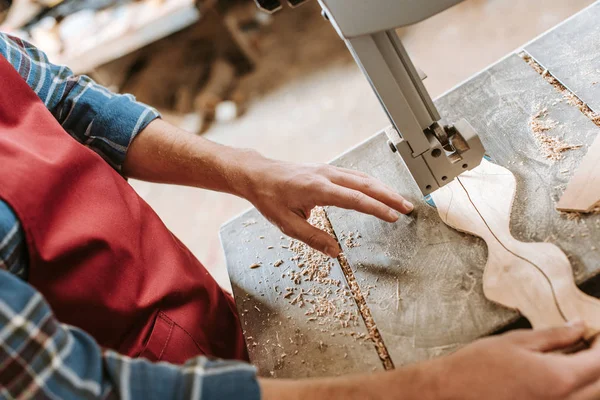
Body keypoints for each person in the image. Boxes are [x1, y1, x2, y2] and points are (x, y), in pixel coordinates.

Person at [1, 32, 600, 400]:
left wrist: (244, 169)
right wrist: (439, 387)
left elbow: (60, 98)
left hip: (179, 316)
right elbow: (81, 391)